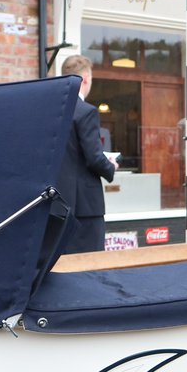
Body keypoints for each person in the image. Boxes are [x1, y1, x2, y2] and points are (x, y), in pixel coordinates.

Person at [56, 54, 117, 254]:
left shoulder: (53, 110)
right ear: (86, 79)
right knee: (90, 266)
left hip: (56, 204)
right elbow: (94, 158)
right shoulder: (86, 112)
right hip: (85, 208)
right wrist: (110, 166)